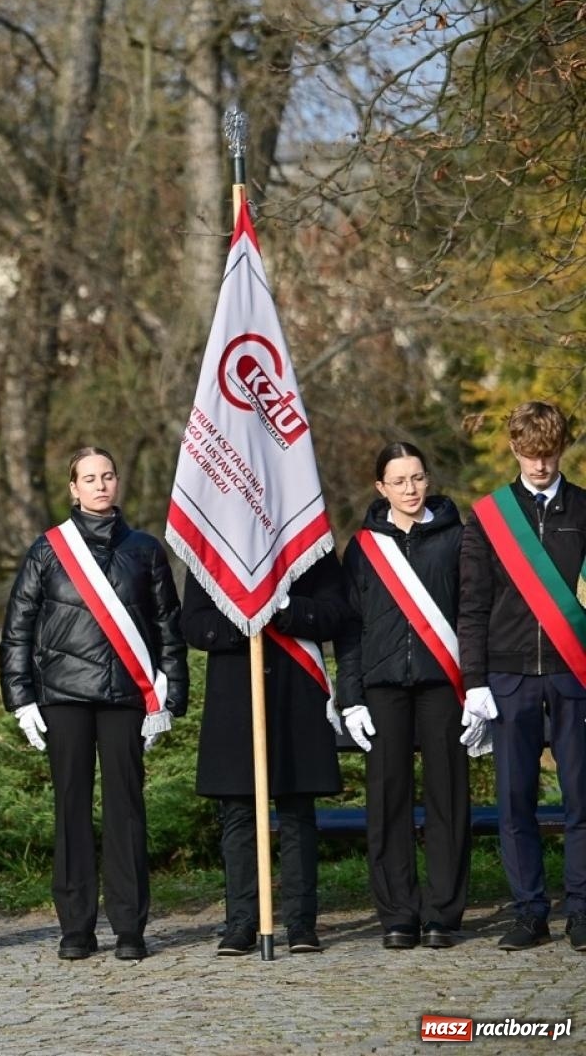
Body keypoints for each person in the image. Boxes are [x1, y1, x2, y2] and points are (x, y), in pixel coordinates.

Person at [0, 447, 186, 962]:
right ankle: (75, 928)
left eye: (108, 475)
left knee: (127, 812)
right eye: (89, 478)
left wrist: (170, 694)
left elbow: (170, 626)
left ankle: (130, 927)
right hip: (63, 699)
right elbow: (18, 629)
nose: (100, 485)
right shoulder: (48, 551)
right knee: (71, 811)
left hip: (127, 698)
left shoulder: (146, 550)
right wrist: (21, 699)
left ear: (117, 482)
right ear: (72, 489)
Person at [458, 401, 586, 952]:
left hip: (573, 673)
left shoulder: (584, 507)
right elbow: (472, 604)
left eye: (549, 454)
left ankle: (581, 911)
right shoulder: (489, 517)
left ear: (562, 450)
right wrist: (474, 681)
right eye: (530, 454)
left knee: (581, 797)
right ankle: (529, 912)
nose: (540, 465)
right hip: (509, 674)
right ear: (514, 449)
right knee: (516, 800)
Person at [336, 442, 474, 950]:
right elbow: (350, 629)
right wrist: (349, 696)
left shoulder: (458, 539)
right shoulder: (365, 548)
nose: (411, 489)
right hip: (382, 686)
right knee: (388, 801)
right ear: (381, 488)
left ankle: (443, 913)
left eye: (418, 478)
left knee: (448, 799)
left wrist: (477, 687)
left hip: (444, 683)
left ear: (428, 479)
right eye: (399, 481)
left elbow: (472, 617)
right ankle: (397, 913)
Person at [184, 552, 353, 956]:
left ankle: (301, 923)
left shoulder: (309, 542)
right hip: (235, 693)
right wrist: (241, 616)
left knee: (297, 811)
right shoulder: (215, 545)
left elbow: (335, 613)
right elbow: (192, 623)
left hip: (297, 690)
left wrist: (284, 607)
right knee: (239, 813)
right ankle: (242, 922)